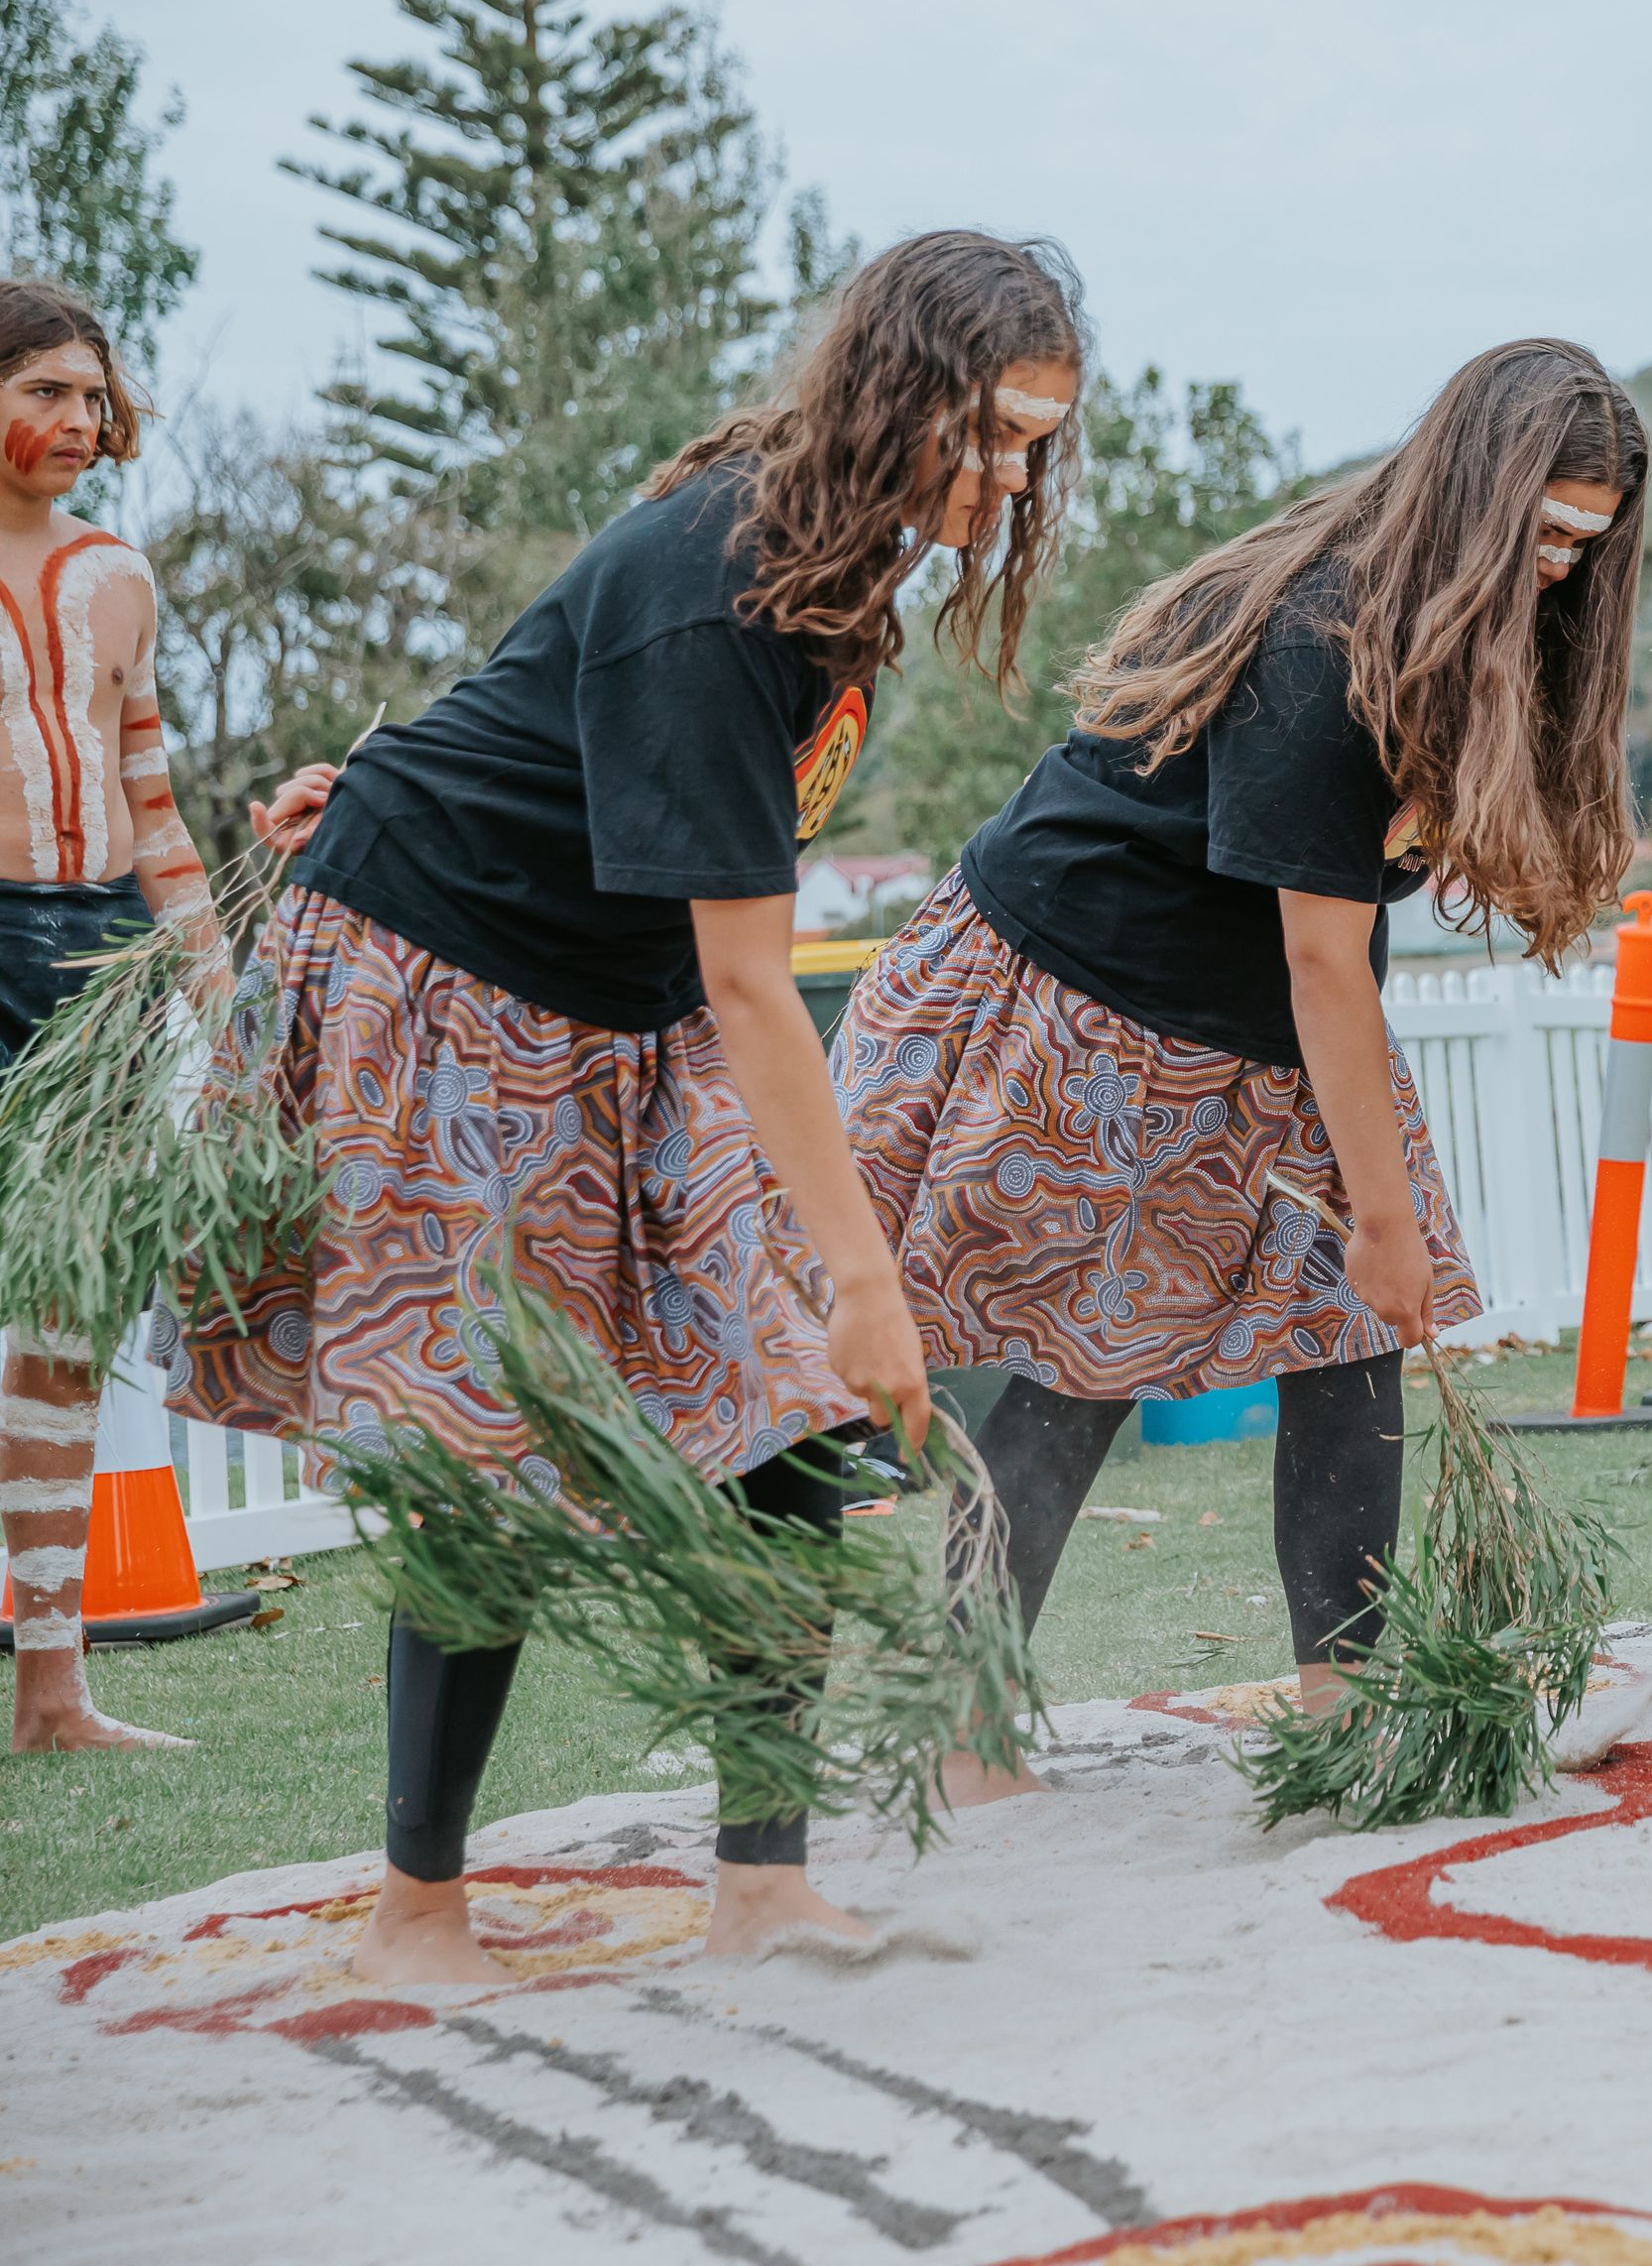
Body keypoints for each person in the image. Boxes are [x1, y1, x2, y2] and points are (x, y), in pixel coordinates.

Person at [190, 230, 1090, 1978]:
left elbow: (586, 731)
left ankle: (762, 1882)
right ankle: (417, 1916)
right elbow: (757, 979)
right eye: (984, 432)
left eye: (1038, 440)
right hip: (454, 987)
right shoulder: (724, 575)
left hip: (628, 1008)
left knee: (790, 1428)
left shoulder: (834, 552)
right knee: (496, 1455)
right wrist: (868, 1276)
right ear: (891, 393)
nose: (1010, 474)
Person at [830, 340, 1644, 1783]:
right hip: (1091, 998)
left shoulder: (1452, 632)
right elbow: (1323, 962)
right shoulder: (1322, 636)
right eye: (1543, 534)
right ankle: (963, 1725)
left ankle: (1353, 1701)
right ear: (1468, 490)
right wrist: (1384, 1220)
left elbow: (1331, 950)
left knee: (1346, 1346)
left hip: (1254, 1023)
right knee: (1086, 1357)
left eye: (1588, 544)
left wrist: (1374, 1235)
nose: (1562, 571)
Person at [0, 282, 227, 1752]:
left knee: (63, 1319)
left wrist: (207, 968)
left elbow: (152, 798)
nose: (79, 421)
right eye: (46, 393)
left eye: (93, 397)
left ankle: (51, 1691)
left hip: (93, 959)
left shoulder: (121, 576)